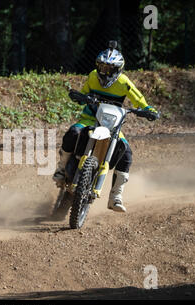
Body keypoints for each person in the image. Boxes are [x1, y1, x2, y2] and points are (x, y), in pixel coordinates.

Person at [53, 41, 159, 212]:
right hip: (89, 119)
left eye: (109, 68)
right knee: (73, 132)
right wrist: (79, 96)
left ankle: (116, 196)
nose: (104, 71)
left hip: (112, 125)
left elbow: (139, 100)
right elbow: (84, 93)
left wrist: (149, 110)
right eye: (102, 67)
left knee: (126, 153)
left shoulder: (124, 82)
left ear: (118, 69)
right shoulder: (93, 76)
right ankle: (61, 169)